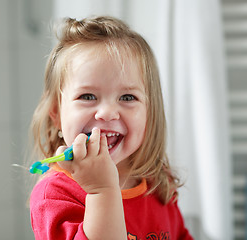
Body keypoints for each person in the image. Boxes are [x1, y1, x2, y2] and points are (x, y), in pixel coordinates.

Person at [29, 15, 193, 240]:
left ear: (150, 112)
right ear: (56, 114)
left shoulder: (157, 183)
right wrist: (102, 191)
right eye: (87, 96)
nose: (106, 113)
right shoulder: (55, 195)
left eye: (127, 97)